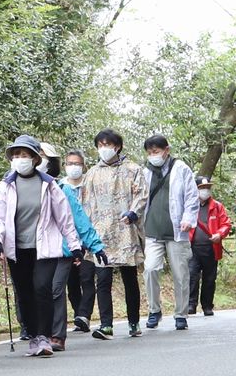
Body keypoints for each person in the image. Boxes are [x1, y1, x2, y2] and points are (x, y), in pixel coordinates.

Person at [0, 136, 81, 358]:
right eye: (16, 155)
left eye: (25, 155)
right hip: (17, 250)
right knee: (25, 293)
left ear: (35, 158)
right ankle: (33, 336)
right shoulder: (6, 186)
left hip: (44, 247)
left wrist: (75, 245)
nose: (20, 159)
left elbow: (64, 218)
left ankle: (44, 336)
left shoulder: (49, 185)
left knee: (42, 288)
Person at [79, 128, 147, 340]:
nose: (104, 149)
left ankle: (133, 321)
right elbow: (85, 204)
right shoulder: (91, 174)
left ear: (117, 146)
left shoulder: (133, 170)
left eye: (107, 145)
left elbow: (142, 194)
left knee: (129, 278)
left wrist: (133, 212)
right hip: (101, 234)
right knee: (103, 278)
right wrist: (86, 234)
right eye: (100, 145)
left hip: (125, 230)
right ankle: (106, 324)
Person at [39, 143, 106, 352]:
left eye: (42, 156)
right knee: (38, 290)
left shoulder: (61, 189)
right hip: (32, 250)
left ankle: (57, 336)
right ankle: (39, 334)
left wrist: (95, 246)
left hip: (61, 249)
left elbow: (78, 218)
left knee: (56, 289)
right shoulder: (15, 187)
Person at [140, 134, 198, 331]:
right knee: (150, 269)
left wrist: (188, 218)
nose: (152, 156)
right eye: (149, 152)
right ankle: (154, 310)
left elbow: (192, 196)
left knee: (180, 274)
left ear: (167, 150)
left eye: (155, 151)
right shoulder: (145, 171)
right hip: (152, 230)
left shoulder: (181, 168)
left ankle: (181, 314)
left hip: (176, 231)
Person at [60, 149, 97, 334]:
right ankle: (78, 316)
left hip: (88, 242)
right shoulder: (58, 187)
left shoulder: (91, 186)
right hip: (66, 243)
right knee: (71, 282)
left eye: (77, 163)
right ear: (64, 165)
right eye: (70, 163)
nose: (73, 167)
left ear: (84, 166)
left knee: (87, 277)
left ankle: (84, 314)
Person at [187, 175, 230, 316]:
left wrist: (220, 234)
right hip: (193, 248)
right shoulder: (190, 206)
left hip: (211, 248)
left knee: (210, 278)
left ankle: (207, 305)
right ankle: (191, 305)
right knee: (192, 276)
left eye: (207, 188)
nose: (205, 190)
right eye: (202, 188)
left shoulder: (217, 206)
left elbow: (226, 224)